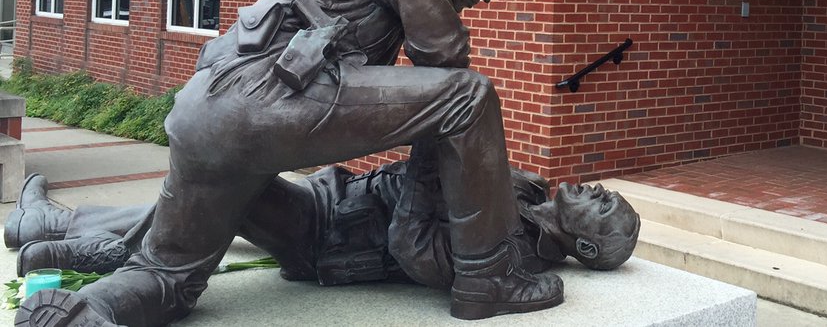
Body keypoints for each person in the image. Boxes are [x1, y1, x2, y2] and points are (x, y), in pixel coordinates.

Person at [17, 0, 561, 326]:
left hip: (210, 116)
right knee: (469, 96)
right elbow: (441, 53)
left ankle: (83, 312)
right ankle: (489, 276)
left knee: (169, 277)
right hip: (260, 100)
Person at [6, 159, 640, 285]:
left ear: (584, 242)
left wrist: (422, 166)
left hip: (331, 239)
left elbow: (413, 250)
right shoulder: (527, 188)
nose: (599, 189)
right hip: (338, 198)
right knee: (220, 180)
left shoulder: (511, 254)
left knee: (230, 181)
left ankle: (77, 239)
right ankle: (53, 225)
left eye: (604, 204)